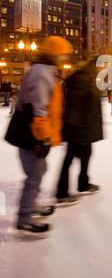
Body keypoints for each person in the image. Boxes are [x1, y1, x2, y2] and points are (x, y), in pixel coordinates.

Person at [5, 36, 72, 234]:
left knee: (39, 171)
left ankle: (31, 206)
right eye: (62, 53)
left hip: (34, 131)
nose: (63, 57)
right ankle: (25, 217)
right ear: (54, 53)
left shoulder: (45, 70)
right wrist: (42, 138)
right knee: (34, 174)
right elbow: (37, 107)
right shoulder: (41, 71)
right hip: (31, 133)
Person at [56, 57, 103, 204]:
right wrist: (73, 126)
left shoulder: (89, 76)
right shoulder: (83, 77)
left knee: (86, 154)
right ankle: (61, 193)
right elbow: (75, 103)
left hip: (84, 126)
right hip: (78, 127)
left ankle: (83, 184)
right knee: (70, 158)